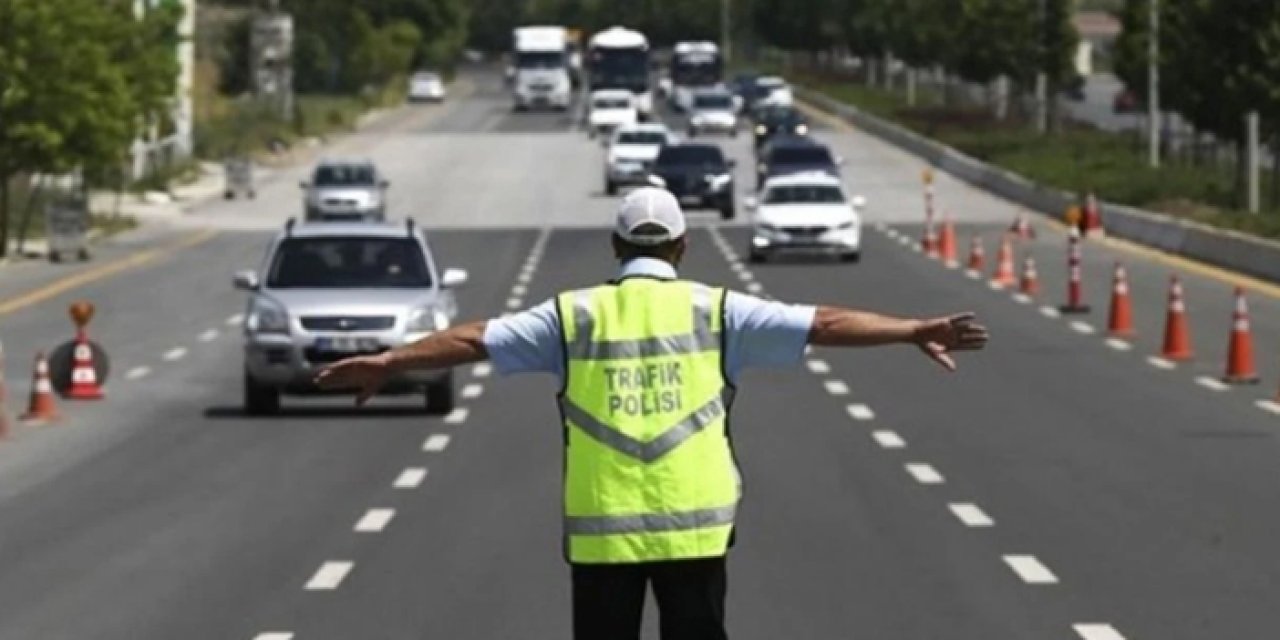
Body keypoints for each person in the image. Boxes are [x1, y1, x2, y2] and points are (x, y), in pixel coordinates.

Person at [315, 187, 989, 640]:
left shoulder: (571, 317)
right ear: (681, 246)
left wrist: (389, 361)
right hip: (694, 532)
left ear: (615, 247)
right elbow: (826, 322)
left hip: (602, 536)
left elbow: (471, 339)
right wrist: (909, 329)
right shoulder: (719, 311)